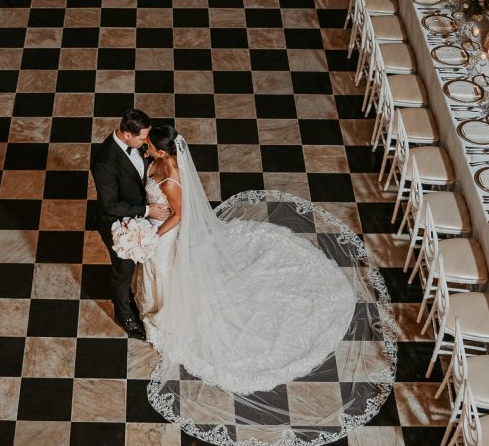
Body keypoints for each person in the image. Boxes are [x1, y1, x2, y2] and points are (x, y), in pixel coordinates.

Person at [135, 124, 358, 395]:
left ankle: (166, 307)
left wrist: (155, 235)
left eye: (150, 146)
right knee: (157, 270)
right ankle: (155, 300)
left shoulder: (171, 181)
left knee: (163, 268)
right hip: (154, 225)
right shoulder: (157, 161)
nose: (146, 147)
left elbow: (179, 215)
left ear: (161, 151)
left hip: (164, 233)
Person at [90, 109, 169, 340]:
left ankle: (137, 295)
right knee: (123, 271)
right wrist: (147, 210)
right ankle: (124, 316)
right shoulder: (105, 162)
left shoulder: (136, 145)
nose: (148, 141)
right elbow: (111, 205)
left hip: (139, 214)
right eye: (143, 138)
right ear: (127, 135)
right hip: (117, 223)